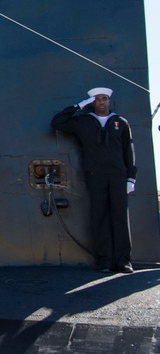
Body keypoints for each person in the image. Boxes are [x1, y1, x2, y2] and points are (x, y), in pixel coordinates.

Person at [51, 87, 137, 273]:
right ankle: (104, 260)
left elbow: (128, 152)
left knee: (120, 217)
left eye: (104, 98)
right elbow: (57, 123)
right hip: (95, 175)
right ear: (92, 102)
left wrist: (131, 177)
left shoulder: (120, 123)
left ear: (109, 101)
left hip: (117, 175)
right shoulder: (83, 122)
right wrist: (78, 106)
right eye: (97, 99)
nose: (101, 102)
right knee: (100, 217)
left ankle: (123, 260)